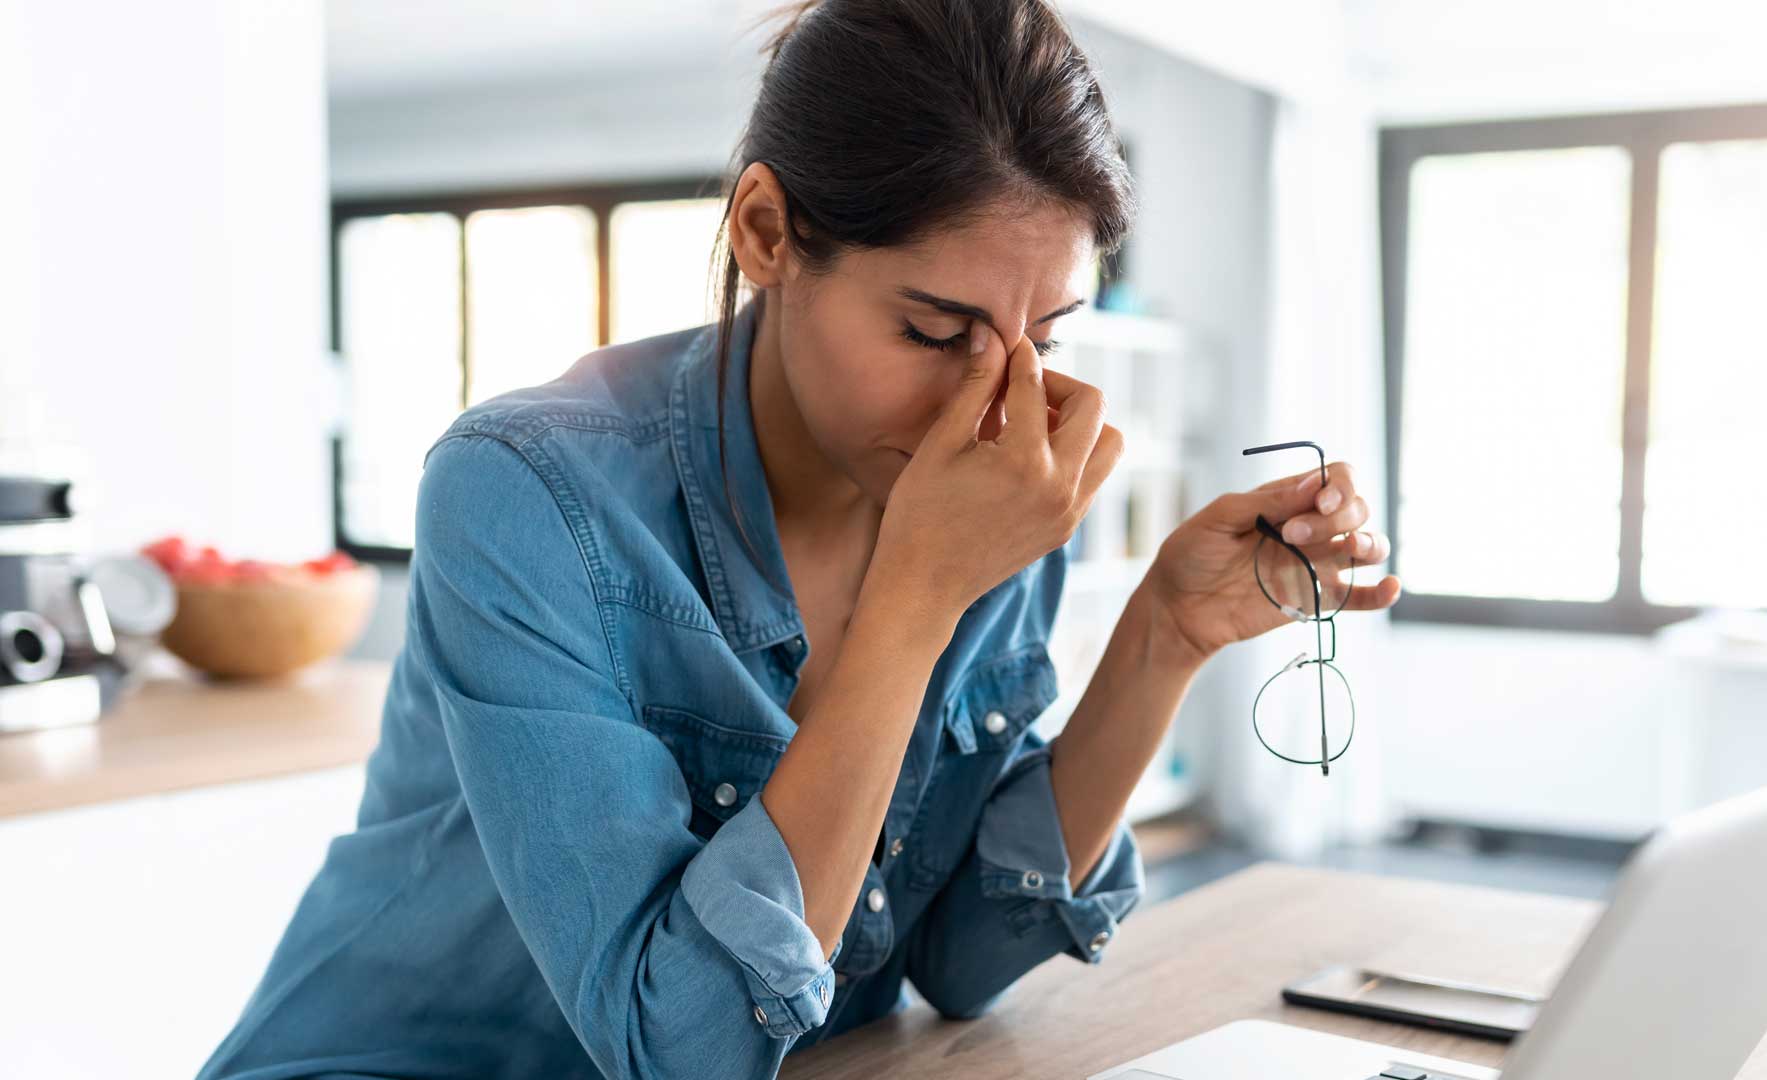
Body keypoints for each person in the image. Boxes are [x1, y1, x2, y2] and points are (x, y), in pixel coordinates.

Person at [197, 1, 1400, 1076]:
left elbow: (962, 957)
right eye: (936, 331)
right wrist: (916, 599)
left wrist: (1165, 636)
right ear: (767, 231)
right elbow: (686, 1050)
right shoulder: (527, 493)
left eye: (1052, 334)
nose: (999, 406)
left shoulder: (994, 489)